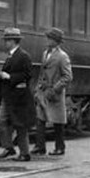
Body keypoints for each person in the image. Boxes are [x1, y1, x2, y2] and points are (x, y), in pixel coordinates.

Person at [0, 27, 35, 162]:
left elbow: (28, 75)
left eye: (7, 40)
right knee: (0, 120)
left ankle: (25, 153)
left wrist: (9, 76)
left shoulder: (23, 56)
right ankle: (9, 147)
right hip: (9, 96)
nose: (5, 43)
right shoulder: (11, 56)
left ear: (13, 41)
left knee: (20, 125)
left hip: (19, 96)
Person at [32, 28, 73, 156]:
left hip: (55, 94)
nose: (47, 41)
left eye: (50, 39)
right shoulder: (45, 53)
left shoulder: (62, 56)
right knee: (40, 119)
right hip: (43, 91)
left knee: (58, 121)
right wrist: (37, 88)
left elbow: (68, 77)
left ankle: (60, 147)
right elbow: (42, 72)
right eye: (47, 38)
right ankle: (40, 147)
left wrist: (55, 89)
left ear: (56, 41)